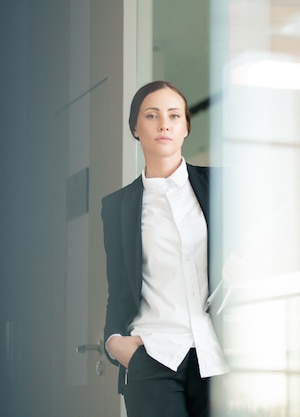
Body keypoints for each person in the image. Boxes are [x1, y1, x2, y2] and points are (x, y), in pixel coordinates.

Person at [101, 81, 228, 417]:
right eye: (152, 115)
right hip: (153, 356)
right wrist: (114, 343)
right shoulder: (117, 207)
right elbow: (119, 287)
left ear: (186, 126)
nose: (164, 124)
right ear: (135, 128)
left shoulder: (221, 185)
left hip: (217, 355)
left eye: (174, 115)